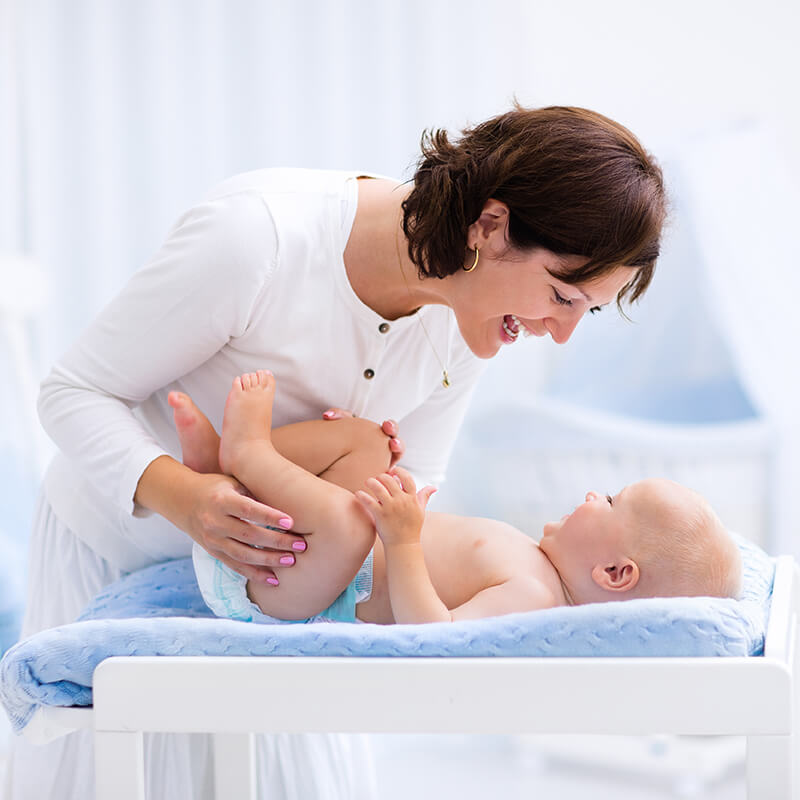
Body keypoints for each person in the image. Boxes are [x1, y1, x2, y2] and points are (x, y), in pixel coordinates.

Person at [9, 105, 667, 800]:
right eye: (562, 296)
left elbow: (412, 485)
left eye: (585, 310)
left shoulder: (472, 321)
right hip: (123, 547)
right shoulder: (257, 239)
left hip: (294, 593)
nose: (560, 333)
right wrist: (188, 497)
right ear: (492, 226)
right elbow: (73, 392)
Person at [178, 371, 741, 627]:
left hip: (285, 589)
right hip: (295, 551)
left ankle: (249, 452)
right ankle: (226, 474)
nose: (595, 493)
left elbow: (434, 634)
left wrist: (402, 539)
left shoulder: (536, 598)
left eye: (613, 503)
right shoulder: (534, 565)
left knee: (350, 527)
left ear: (615, 572)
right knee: (368, 442)